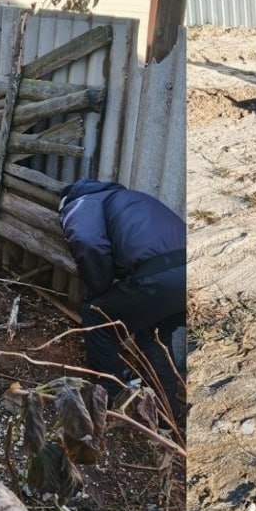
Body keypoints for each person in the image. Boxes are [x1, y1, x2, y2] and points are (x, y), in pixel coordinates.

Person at [57, 179, 185, 418]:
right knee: (153, 335)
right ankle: (167, 413)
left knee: (97, 317)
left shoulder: (81, 203)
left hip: (159, 276)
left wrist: (99, 291)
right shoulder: (127, 198)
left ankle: (110, 398)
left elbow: (88, 242)